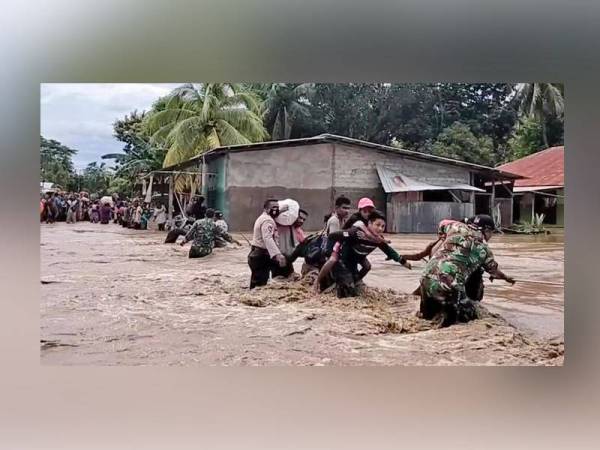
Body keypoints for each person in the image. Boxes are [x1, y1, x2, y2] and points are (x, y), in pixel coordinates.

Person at [419, 214, 515, 327]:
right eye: (491, 233)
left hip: (425, 277)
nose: (491, 236)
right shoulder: (485, 250)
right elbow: (495, 271)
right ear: (487, 230)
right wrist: (506, 278)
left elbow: (442, 223)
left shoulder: (456, 226)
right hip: (450, 284)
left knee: (424, 319)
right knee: (470, 319)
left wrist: (444, 237)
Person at [318, 210, 412, 298]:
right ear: (370, 223)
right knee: (348, 292)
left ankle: (354, 281)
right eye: (378, 225)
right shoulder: (357, 233)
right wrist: (330, 253)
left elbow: (390, 251)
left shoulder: (378, 239)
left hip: (356, 259)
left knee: (367, 267)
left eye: (383, 226)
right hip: (342, 260)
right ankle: (319, 284)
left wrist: (404, 263)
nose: (380, 229)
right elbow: (332, 235)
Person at [248, 199, 287, 288]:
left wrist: (281, 210)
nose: (276, 210)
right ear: (266, 209)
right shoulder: (267, 221)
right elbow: (268, 238)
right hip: (261, 256)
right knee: (259, 285)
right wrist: (278, 255)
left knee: (257, 283)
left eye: (277, 208)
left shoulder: (264, 217)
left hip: (257, 254)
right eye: (273, 208)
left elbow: (274, 213)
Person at [274, 209, 309, 278]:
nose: (302, 221)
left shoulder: (299, 232)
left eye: (304, 220)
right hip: (277, 258)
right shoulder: (282, 226)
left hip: (288, 260)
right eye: (300, 218)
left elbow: (302, 249)